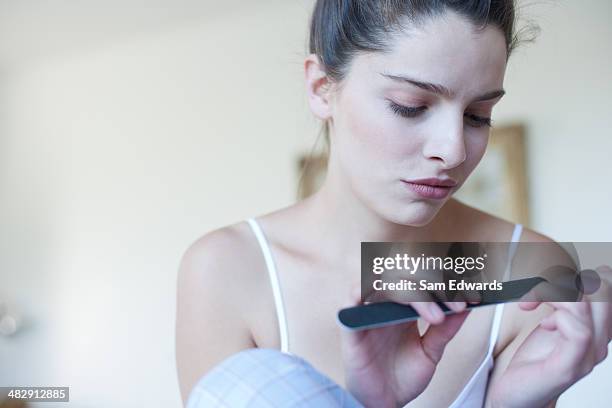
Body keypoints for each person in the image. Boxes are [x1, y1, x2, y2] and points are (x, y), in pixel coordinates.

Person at [175, 1, 612, 407]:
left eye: (478, 114)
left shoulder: (528, 271)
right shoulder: (227, 271)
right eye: (410, 106)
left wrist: (514, 403)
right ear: (321, 87)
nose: (454, 150)